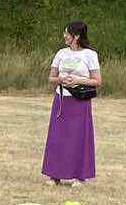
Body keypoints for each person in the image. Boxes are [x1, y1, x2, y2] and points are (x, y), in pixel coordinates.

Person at [42, 21, 101, 187]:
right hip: (61, 100)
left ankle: (79, 175)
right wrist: (60, 79)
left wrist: (78, 80)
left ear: (76, 36)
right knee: (57, 137)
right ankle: (55, 175)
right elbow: (50, 78)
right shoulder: (61, 53)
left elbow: (97, 81)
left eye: (67, 33)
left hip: (80, 102)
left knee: (78, 137)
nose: (64, 36)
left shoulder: (90, 55)